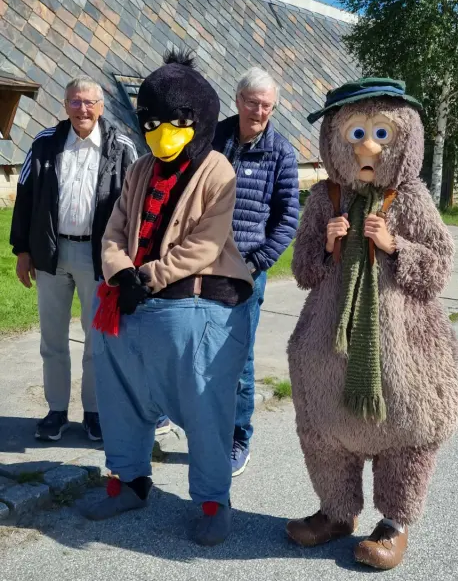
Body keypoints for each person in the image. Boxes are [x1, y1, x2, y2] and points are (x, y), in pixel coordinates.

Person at [286, 78, 458, 570]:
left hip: (403, 345)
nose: (368, 147)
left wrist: (394, 246)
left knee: (406, 431)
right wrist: (326, 244)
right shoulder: (325, 198)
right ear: (334, 139)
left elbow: (438, 269)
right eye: (357, 133)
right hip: (328, 344)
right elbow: (302, 270)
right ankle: (336, 512)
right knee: (324, 432)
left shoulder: (410, 198)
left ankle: (394, 524)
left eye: (381, 134)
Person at [82, 51, 254, 547]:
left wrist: (149, 276)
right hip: (128, 304)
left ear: (199, 119)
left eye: (177, 122)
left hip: (193, 304)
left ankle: (213, 501)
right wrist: (120, 271)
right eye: (153, 123)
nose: (163, 134)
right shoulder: (140, 169)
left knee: (205, 407)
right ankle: (129, 480)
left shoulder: (218, 170)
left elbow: (205, 242)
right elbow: (114, 228)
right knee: (120, 398)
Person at [10, 77, 137, 442]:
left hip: (98, 256)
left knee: (98, 340)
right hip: (51, 252)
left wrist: (128, 258)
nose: (82, 109)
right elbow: (25, 195)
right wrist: (22, 250)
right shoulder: (45, 142)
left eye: (89, 102)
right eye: (75, 102)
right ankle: (56, 411)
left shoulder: (122, 147)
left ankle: (95, 412)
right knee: (52, 338)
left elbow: (135, 205)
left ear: (101, 106)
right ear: (65, 105)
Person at [213, 67, 300, 476]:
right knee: (196, 348)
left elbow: (287, 219)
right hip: (200, 263)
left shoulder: (280, 152)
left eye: (267, 106)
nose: (259, 112)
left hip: (245, 269)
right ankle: (204, 425)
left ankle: (238, 437)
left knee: (239, 358)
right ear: (237, 100)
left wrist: (258, 261)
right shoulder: (213, 138)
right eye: (252, 103)